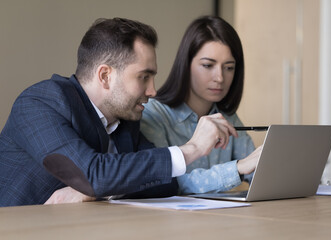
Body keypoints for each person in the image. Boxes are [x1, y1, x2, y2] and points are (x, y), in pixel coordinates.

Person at [0, 17, 238, 207]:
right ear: (105, 76)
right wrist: (193, 148)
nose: (153, 90)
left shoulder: (126, 119)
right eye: (144, 77)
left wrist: (97, 193)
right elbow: (93, 174)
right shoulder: (39, 103)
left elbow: (165, 183)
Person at [140, 15, 262, 195]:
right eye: (207, 65)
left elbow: (256, 169)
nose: (219, 77)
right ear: (186, 64)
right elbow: (171, 183)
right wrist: (238, 168)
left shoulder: (226, 116)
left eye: (229, 67)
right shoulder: (154, 115)